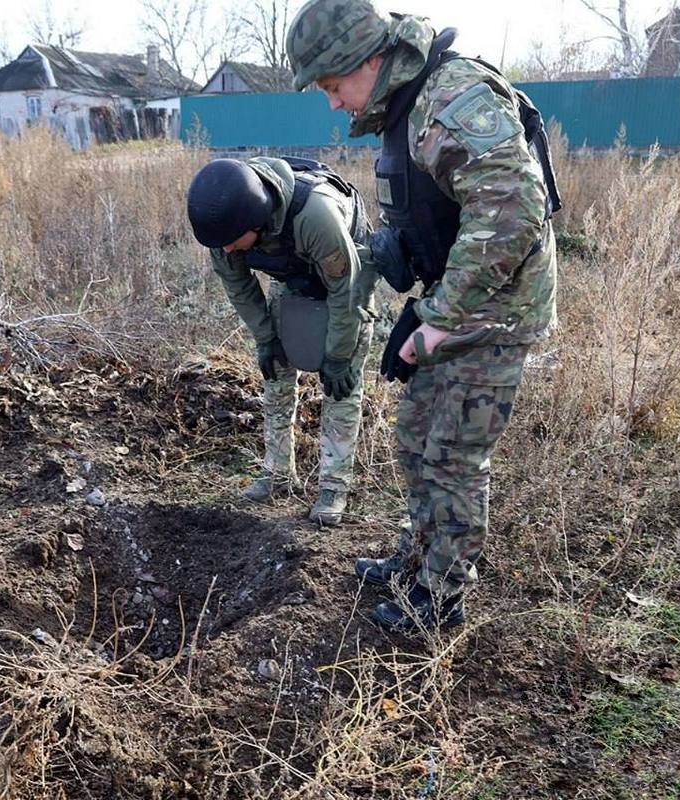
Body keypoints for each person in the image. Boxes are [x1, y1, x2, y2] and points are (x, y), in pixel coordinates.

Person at [286, 0, 561, 631]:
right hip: (453, 302)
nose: (332, 103)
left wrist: (438, 317)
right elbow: (432, 207)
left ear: (369, 61)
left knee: (453, 456)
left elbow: (514, 211)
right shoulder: (403, 107)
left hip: (494, 313)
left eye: (332, 86)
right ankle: (418, 557)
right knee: (415, 437)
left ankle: (441, 597)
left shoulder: (453, 97)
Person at [186, 156, 376, 526]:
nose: (226, 251)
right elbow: (239, 287)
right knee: (275, 372)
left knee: (341, 385)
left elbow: (345, 289)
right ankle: (276, 474)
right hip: (292, 273)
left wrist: (337, 356)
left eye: (230, 243)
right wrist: (266, 339)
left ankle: (333, 488)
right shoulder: (224, 226)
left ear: (255, 221)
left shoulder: (315, 215)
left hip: (348, 276)